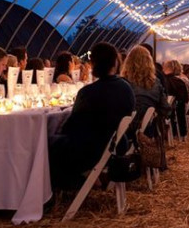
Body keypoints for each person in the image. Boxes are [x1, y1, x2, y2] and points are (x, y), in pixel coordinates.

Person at [49, 42, 135, 189]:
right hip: (119, 144)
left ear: (93, 64)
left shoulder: (88, 92)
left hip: (94, 150)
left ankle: (66, 188)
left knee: (48, 143)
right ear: (115, 62)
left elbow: (72, 126)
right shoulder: (126, 87)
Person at [121, 46, 171, 167]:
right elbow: (166, 109)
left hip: (125, 132)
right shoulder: (156, 83)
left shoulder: (123, 83)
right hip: (147, 131)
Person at [164, 60, 189, 139]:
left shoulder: (162, 81)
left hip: (168, 111)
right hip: (178, 111)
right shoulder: (180, 81)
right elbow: (186, 98)